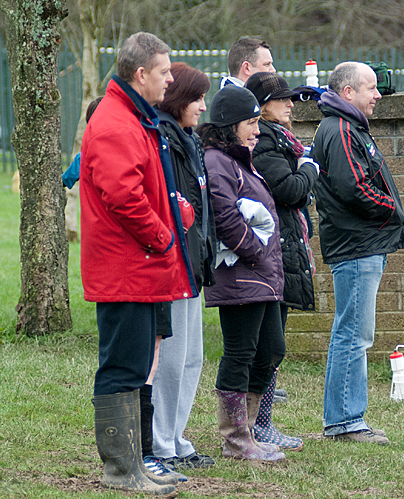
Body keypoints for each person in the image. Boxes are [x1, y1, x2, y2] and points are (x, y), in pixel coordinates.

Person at [81, 31, 196, 495]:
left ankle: (132, 464)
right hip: (126, 268)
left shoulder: (134, 117)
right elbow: (125, 198)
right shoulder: (116, 122)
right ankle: (120, 470)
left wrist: (176, 214)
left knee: (133, 365)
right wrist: (164, 236)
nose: (171, 80)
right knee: (123, 367)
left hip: (138, 266)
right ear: (140, 73)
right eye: (165, 72)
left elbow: (147, 188)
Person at [312, 62, 404, 444]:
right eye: (371, 88)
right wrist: (390, 209)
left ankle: (346, 418)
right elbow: (354, 187)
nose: (378, 95)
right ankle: (345, 422)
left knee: (354, 332)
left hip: (361, 244)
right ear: (348, 92)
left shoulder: (348, 128)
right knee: (353, 334)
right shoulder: (338, 130)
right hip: (355, 246)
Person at [198, 85, 287, 462]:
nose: (257, 130)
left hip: (260, 275)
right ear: (230, 125)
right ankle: (235, 438)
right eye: (250, 123)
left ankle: (248, 431)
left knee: (271, 351)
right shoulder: (217, 161)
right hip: (240, 275)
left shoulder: (239, 159)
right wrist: (256, 250)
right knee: (240, 354)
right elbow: (225, 217)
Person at [150, 62, 218, 472]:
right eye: (197, 98)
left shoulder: (188, 139)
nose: (203, 107)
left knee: (193, 357)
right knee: (172, 360)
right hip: (173, 263)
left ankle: (176, 436)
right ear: (178, 100)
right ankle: (160, 443)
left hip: (195, 262)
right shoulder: (163, 138)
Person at [246, 72, 319, 451]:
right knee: (267, 346)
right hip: (272, 252)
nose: (292, 104)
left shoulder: (281, 139)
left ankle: (262, 423)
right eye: (283, 98)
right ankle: (256, 426)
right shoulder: (266, 143)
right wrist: (309, 167)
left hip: (286, 248)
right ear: (263, 106)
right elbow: (289, 189)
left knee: (273, 344)